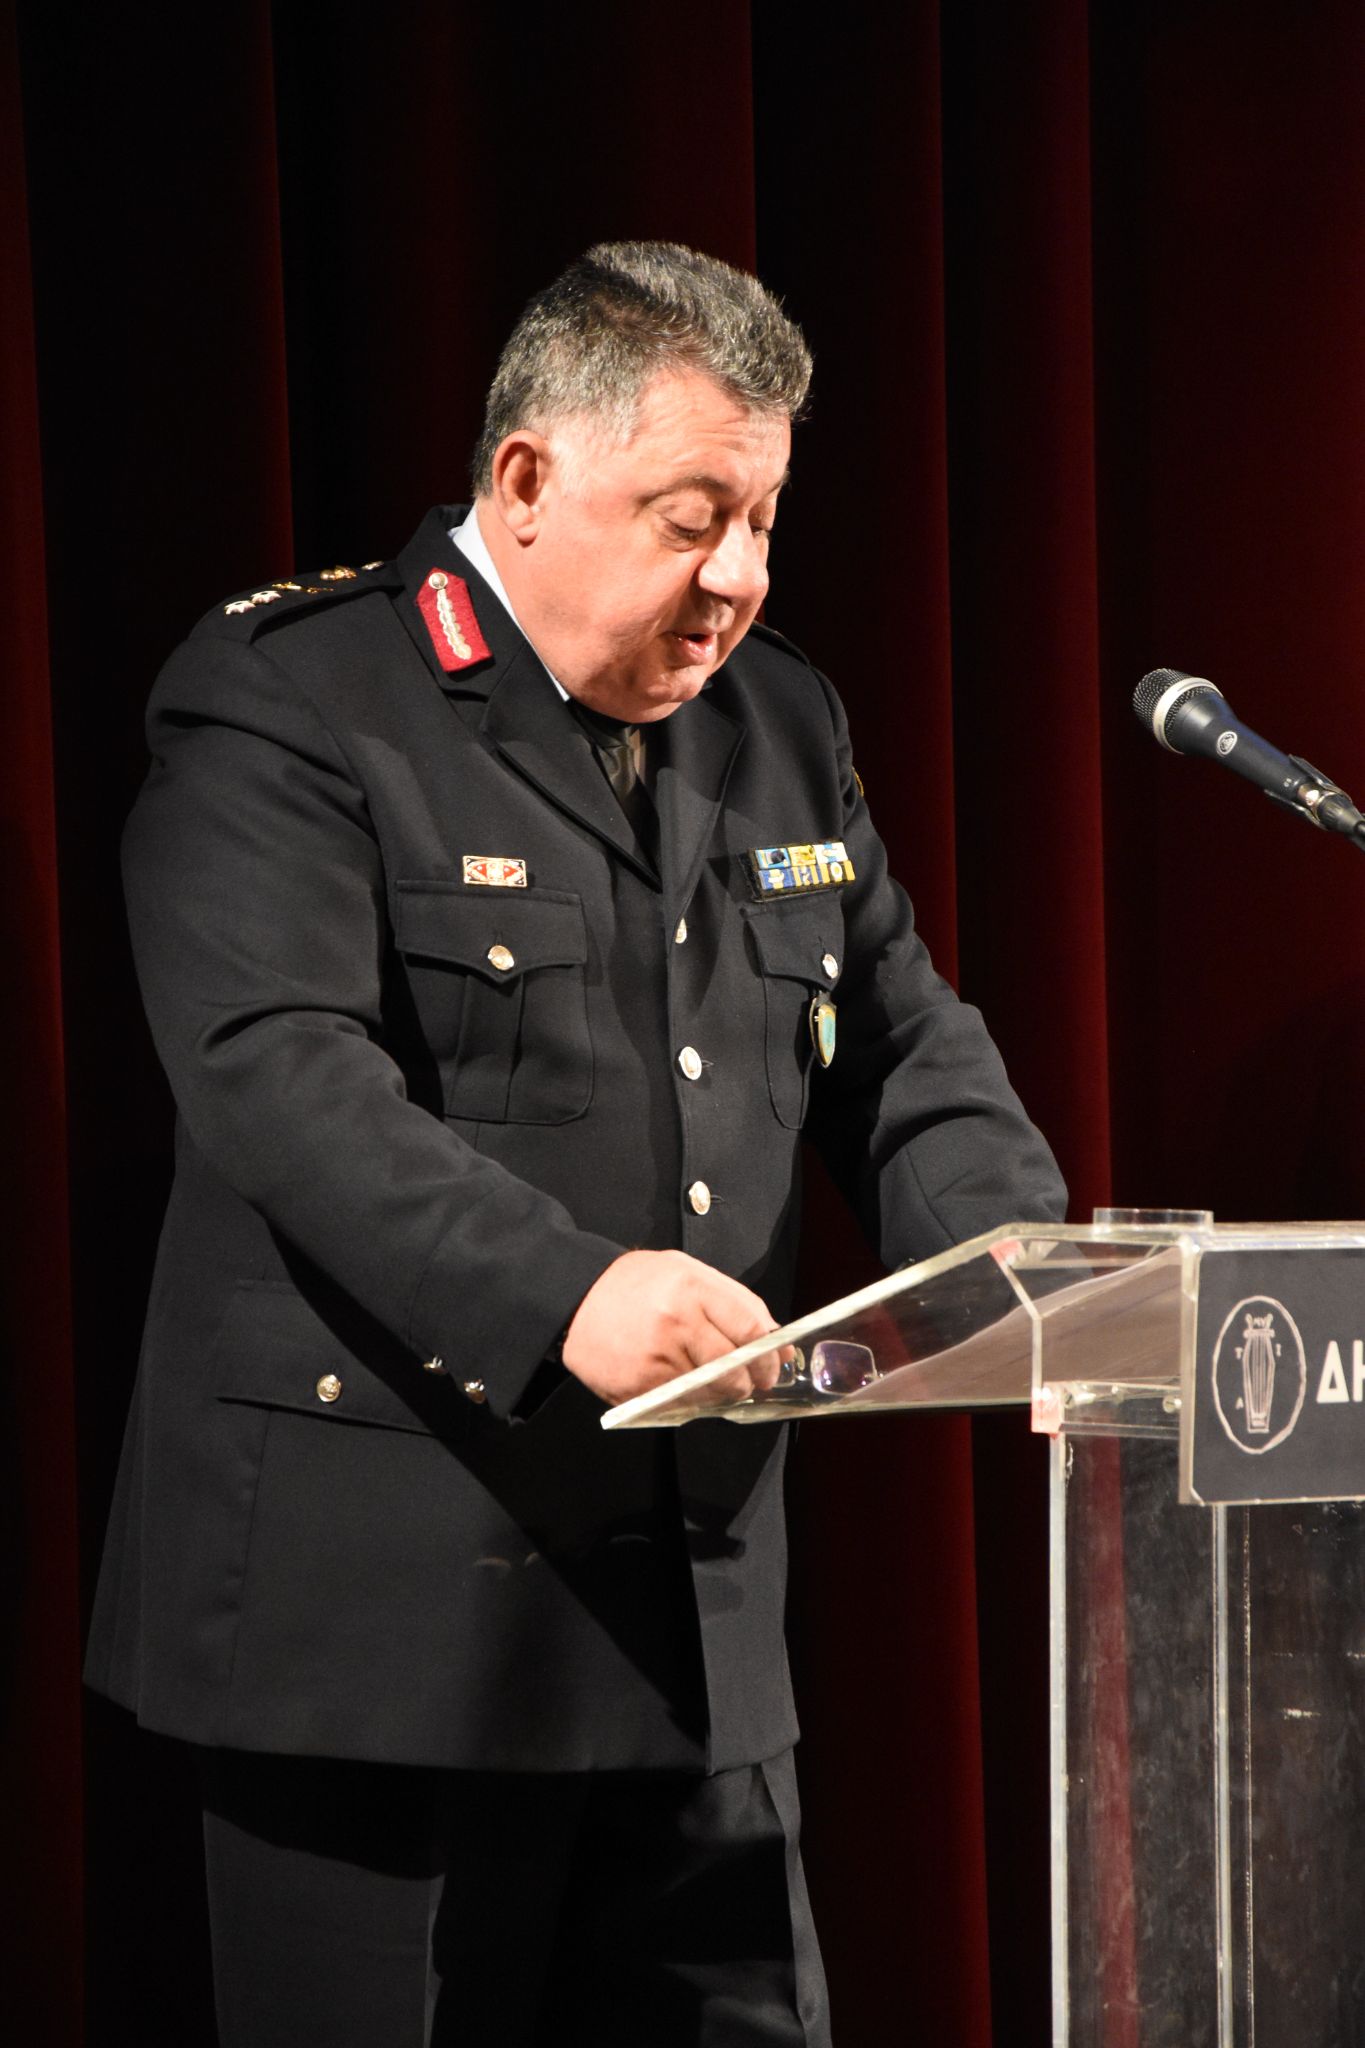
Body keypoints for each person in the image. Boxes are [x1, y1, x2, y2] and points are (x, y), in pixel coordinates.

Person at [85, 241, 1067, 2046]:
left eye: (763, 520)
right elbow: (273, 1072)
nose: (738, 577)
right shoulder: (295, 694)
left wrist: (1028, 1268)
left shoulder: (780, 718)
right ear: (526, 479)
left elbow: (894, 1035)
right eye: (693, 519)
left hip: (690, 1635)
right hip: (380, 1636)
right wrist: (566, 1292)